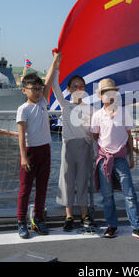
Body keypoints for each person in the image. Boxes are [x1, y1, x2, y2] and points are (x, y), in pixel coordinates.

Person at [90, 78, 139, 241]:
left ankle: (137, 227)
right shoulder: (97, 116)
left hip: (121, 158)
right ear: (100, 96)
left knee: (130, 193)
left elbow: (129, 137)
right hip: (104, 159)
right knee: (107, 195)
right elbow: (96, 136)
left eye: (112, 92)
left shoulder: (124, 112)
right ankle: (112, 225)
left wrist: (131, 157)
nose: (109, 96)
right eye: (105, 93)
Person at [49, 51, 96, 231]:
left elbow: (93, 132)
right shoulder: (65, 105)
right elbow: (54, 85)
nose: (78, 89)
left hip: (85, 147)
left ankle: (84, 214)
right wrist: (57, 63)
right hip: (68, 147)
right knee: (67, 180)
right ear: (68, 89)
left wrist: (96, 150)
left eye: (81, 86)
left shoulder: (90, 108)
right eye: (74, 86)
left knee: (83, 180)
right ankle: (69, 215)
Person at [15, 55, 59, 239]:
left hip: (45, 150)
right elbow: (21, 134)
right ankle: (21, 221)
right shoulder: (23, 109)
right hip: (31, 151)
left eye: (40, 89)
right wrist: (24, 157)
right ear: (24, 90)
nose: (38, 92)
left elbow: (48, 80)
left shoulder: (42, 102)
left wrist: (55, 61)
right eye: (34, 89)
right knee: (25, 189)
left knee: (42, 187)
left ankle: (38, 219)